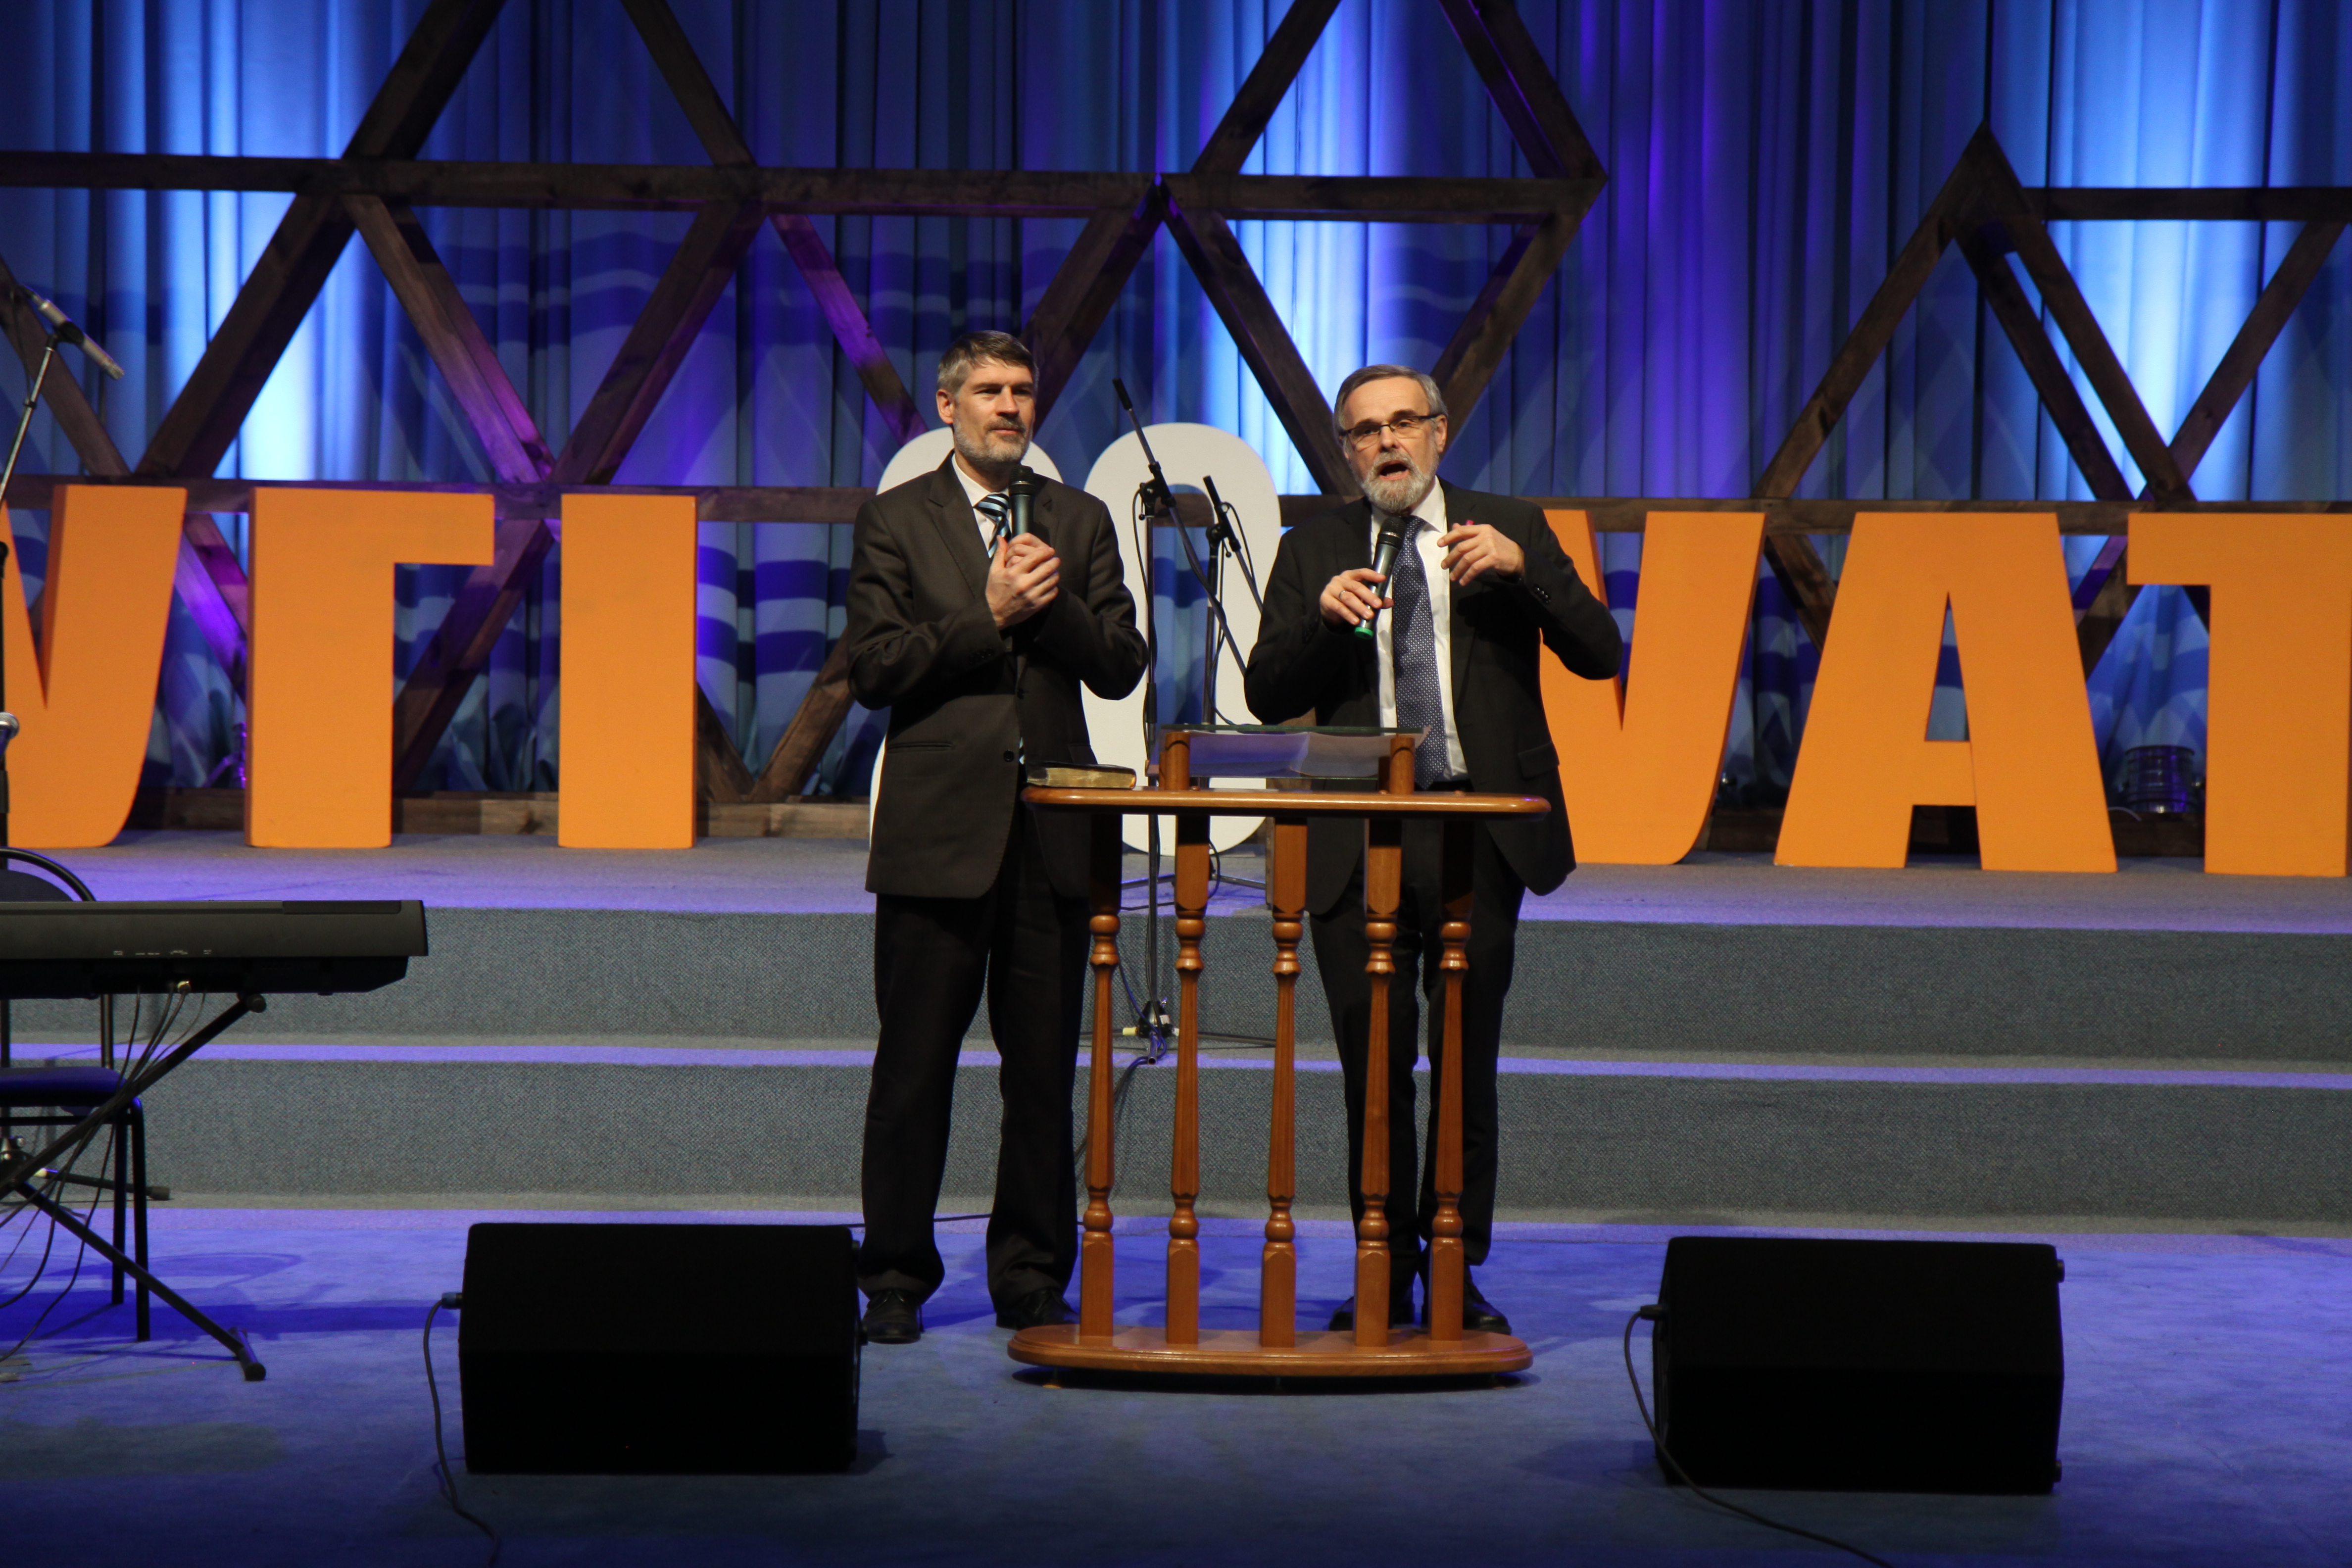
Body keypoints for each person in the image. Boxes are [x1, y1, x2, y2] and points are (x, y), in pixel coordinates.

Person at [1244, 364, 1621, 1333]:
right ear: (1346, 451)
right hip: (1356, 839)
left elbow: (1600, 653)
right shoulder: (1315, 547)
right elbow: (1265, 692)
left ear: (1440, 433)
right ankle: (1383, 1260)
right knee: (1373, 1071)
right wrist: (1323, 623)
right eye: (1365, 431)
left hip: (1473, 832)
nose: (1386, 443)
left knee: (1463, 1062)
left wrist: (1525, 574)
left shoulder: (1510, 527)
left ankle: (1455, 1264)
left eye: (1403, 422)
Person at [844, 331, 1147, 1344]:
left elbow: (1121, 663)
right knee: (913, 1071)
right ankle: (894, 1276)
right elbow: (875, 668)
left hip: (1052, 834)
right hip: (936, 835)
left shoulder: (1079, 519)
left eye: (1022, 389)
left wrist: (1045, 610)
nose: (1009, 406)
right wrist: (988, 613)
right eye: (988, 391)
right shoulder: (897, 519)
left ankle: (1030, 1277)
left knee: (1041, 1076)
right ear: (948, 406)